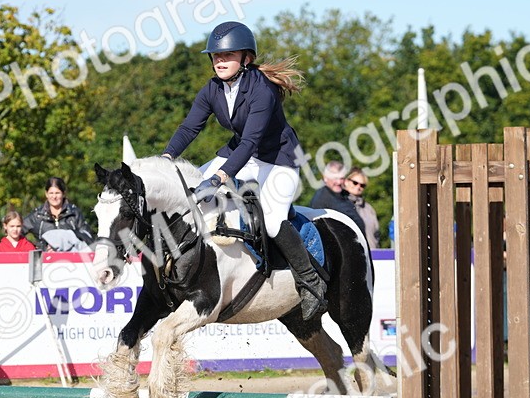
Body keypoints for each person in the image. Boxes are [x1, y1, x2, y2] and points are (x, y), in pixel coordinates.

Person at [160, 21, 325, 320]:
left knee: (273, 220)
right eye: (216, 56)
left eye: (228, 55)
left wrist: (221, 176)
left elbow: (250, 141)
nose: (220, 61)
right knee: (192, 193)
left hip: (278, 161)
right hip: (242, 155)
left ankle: (310, 282)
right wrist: (167, 157)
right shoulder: (212, 88)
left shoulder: (263, 90)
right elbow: (189, 127)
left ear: (246, 58)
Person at [23, 177, 95, 253]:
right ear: (46, 194)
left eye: (57, 193)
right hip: (45, 262)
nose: (54, 197)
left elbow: (87, 237)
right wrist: (36, 248)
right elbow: (15, 231)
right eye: (51, 193)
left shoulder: (74, 213)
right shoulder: (37, 215)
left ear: (63, 194)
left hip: (71, 260)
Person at [309, 162, 366, 237]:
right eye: (335, 178)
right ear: (325, 178)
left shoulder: (343, 195)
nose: (339, 182)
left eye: (341, 178)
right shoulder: (321, 200)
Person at [342, 166, 379, 248]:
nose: (358, 187)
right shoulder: (339, 205)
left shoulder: (369, 209)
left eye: (362, 185)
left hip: (372, 255)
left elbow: (376, 235)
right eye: (355, 183)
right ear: (346, 181)